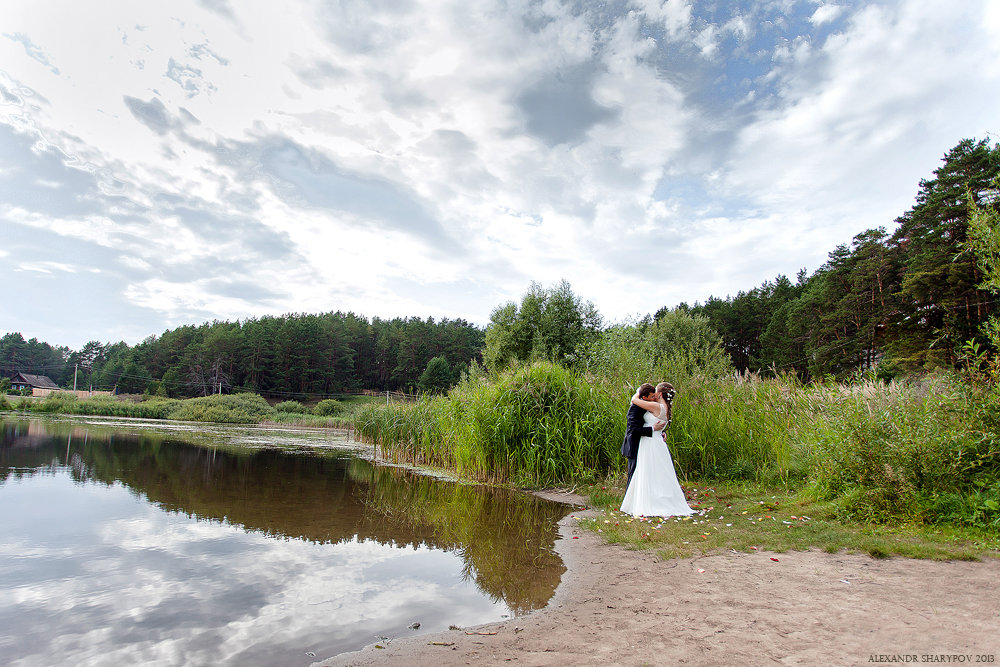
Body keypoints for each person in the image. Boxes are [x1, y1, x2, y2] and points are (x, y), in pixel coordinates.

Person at [619, 381, 694, 518]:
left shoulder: (655, 406)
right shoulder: (666, 408)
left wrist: (639, 391)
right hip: (657, 443)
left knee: (649, 473)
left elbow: (634, 400)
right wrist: (660, 432)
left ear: (659, 394)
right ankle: (662, 501)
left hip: (650, 444)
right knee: (660, 474)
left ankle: (651, 503)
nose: (653, 396)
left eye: (655, 394)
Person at [620, 383, 664, 489]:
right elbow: (634, 430)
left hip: (647, 445)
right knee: (634, 475)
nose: (654, 398)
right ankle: (629, 502)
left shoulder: (648, 405)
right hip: (634, 445)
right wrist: (653, 429)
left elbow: (650, 420)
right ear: (644, 397)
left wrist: (661, 431)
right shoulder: (634, 408)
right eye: (652, 396)